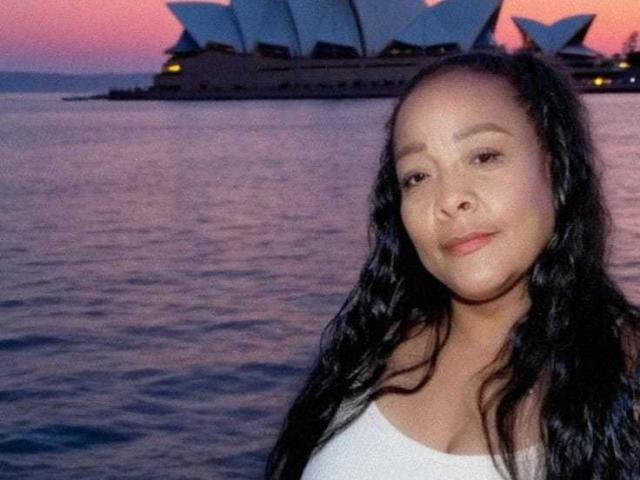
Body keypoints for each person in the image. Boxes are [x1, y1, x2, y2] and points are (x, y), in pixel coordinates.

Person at [265, 51, 640, 480]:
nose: (449, 199)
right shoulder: (365, 352)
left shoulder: (626, 382)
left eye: (483, 157)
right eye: (417, 176)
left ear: (555, 167)